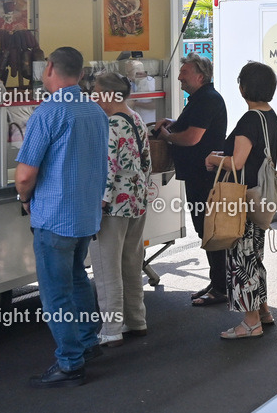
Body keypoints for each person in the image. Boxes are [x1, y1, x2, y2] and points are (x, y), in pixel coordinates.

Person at [15, 47, 109, 388]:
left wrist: (23, 197)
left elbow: (25, 175)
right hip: (85, 214)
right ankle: (87, 342)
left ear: (50, 67)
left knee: (55, 293)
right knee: (77, 278)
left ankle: (70, 363)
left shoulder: (47, 113)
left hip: (54, 217)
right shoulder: (95, 111)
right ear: (81, 74)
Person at [205, 61, 277, 339]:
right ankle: (262, 310)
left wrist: (213, 158)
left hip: (243, 199)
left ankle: (250, 323)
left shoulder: (250, 119)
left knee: (242, 259)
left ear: (244, 88)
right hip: (260, 195)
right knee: (255, 256)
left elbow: (237, 162)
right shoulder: (270, 115)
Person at [154, 53, 228, 306]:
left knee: (210, 231)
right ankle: (219, 282)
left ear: (200, 75)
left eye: (184, 73)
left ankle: (221, 287)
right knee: (207, 231)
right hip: (199, 175)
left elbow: (193, 138)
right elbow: (194, 128)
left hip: (204, 177)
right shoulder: (201, 98)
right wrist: (175, 123)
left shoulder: (206, 99)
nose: (179, 78)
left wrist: (166, 136)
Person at [89, 72, 152, 348]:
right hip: (137, 199)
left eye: (96, 91)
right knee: (131, 262)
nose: (93, 95)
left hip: (114, 203)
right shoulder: (136, 118)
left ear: (109, 95)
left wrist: (99, 202)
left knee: (106, 267)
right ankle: (136, 320)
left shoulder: (111, 123)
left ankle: (111, 328)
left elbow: (108, 166)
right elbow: (147, 161)